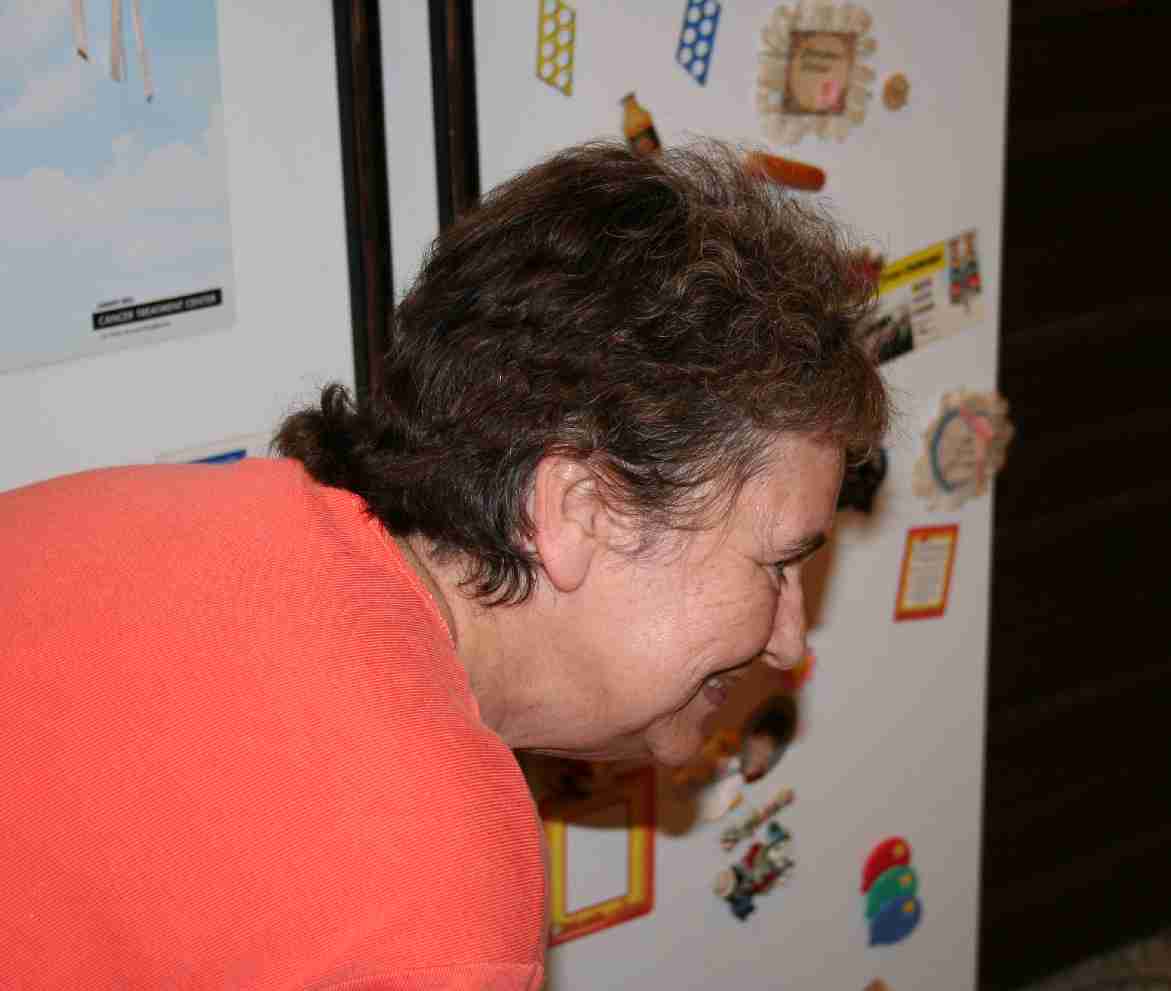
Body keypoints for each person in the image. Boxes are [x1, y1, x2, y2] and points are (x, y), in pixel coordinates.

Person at [0, 140, 887, 988]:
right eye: (778, 565)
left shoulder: (173, 512)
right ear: (580, 511)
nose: (790, 639)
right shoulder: (434, 882)